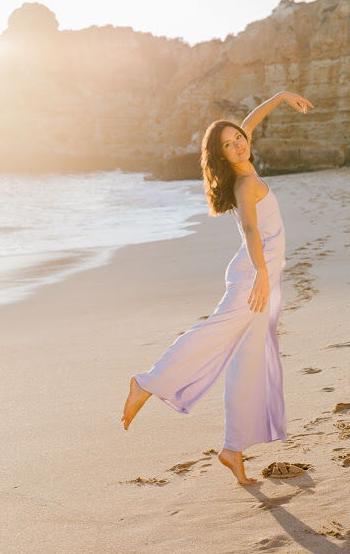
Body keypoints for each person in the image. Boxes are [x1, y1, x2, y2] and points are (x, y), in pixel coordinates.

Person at [121, 90, 314, 484]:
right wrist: (261, 274)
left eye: (239, 137)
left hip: (264, 275)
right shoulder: (244, 185)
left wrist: (280, 97)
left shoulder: (244, 163)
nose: (239, 143)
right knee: (215, 334)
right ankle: (147, 382)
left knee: (249, 363)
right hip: (253, 277)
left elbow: (252, 120)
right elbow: (249, 229)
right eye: (229, 144)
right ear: (221, 155)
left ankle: (232, 449)